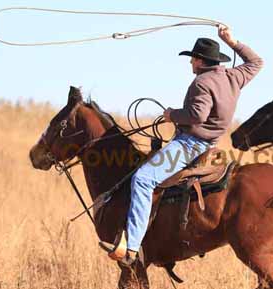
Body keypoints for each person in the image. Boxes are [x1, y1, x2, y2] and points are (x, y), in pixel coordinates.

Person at [100, 25, 264, 265]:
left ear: (199, 60)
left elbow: (197, 115)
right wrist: (232, 41)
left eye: (192, 60)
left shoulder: (202, 83)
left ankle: (132, 248)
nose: (190, 64)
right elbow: (257, 62)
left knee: (143, 179)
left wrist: (172, 115)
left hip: (190, 145)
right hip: (211, 142)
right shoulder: (233, 76)